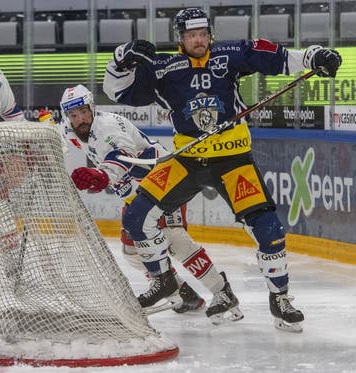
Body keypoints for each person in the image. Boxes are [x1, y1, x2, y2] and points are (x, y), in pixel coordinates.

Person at [102, 8, 342, 332]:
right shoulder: (163, 69)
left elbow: (275, 57)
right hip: (187, 160)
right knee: (136, 217)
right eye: (191, 35)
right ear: (180, 38)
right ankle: (165, 281)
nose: (198, 40)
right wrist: (120, 60)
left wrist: (313, 57)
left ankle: (280, 299)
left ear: (209, 34)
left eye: (202, 34)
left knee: (269, 230)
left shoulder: (229, 54)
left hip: (233, 159)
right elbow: (116, 92)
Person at [53, 84, 243, 321]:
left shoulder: (108, 126)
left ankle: (221, 291)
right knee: (132, 250)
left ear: (92, 108)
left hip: (162, 184)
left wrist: (103, 175)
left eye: (84, 111)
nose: (81, 119)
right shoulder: (68, 130)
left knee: (174, 240)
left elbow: (121, 153)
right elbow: (51, 133)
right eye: (74, 115)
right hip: (136, 195)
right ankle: (182, 292)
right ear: (67, 117)